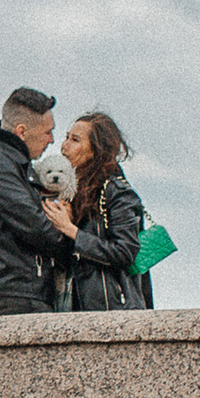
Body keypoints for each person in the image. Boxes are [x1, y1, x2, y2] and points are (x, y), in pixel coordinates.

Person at [0, 87, 105, 317]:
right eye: (48, 132)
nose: (52, 140)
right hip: (14, 299)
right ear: (22, 131)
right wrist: (68, 227)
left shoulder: (14, 163)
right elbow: (39, 229)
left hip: (30, 296)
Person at [63, 107, 152, 310]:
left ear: (97, 150)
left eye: (75, 140)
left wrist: (71, 231)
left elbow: (125, 252)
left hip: (113, 308)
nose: (63, 147)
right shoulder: (72, 192)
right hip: (78, 306)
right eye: (66, 138)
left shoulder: (117, 192)